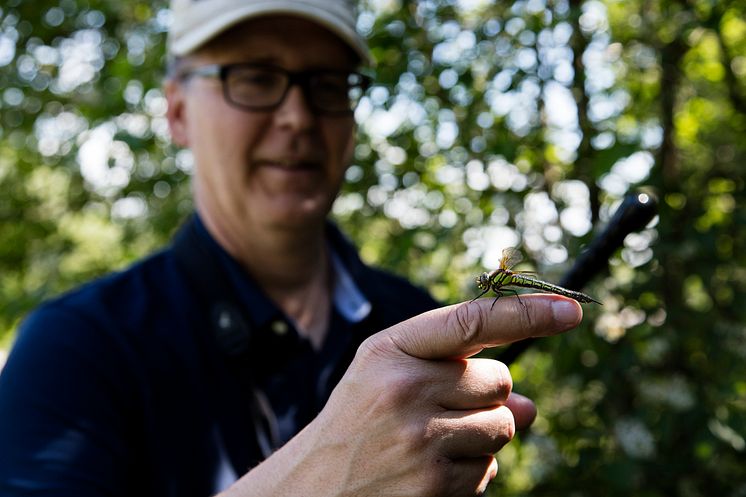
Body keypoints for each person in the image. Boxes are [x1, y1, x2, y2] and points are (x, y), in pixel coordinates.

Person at [0, 1, 585, 495]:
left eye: (327, 84)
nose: (298, 117)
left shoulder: (417, 317)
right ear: (177, 111)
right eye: (254, 77)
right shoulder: (76, 347)